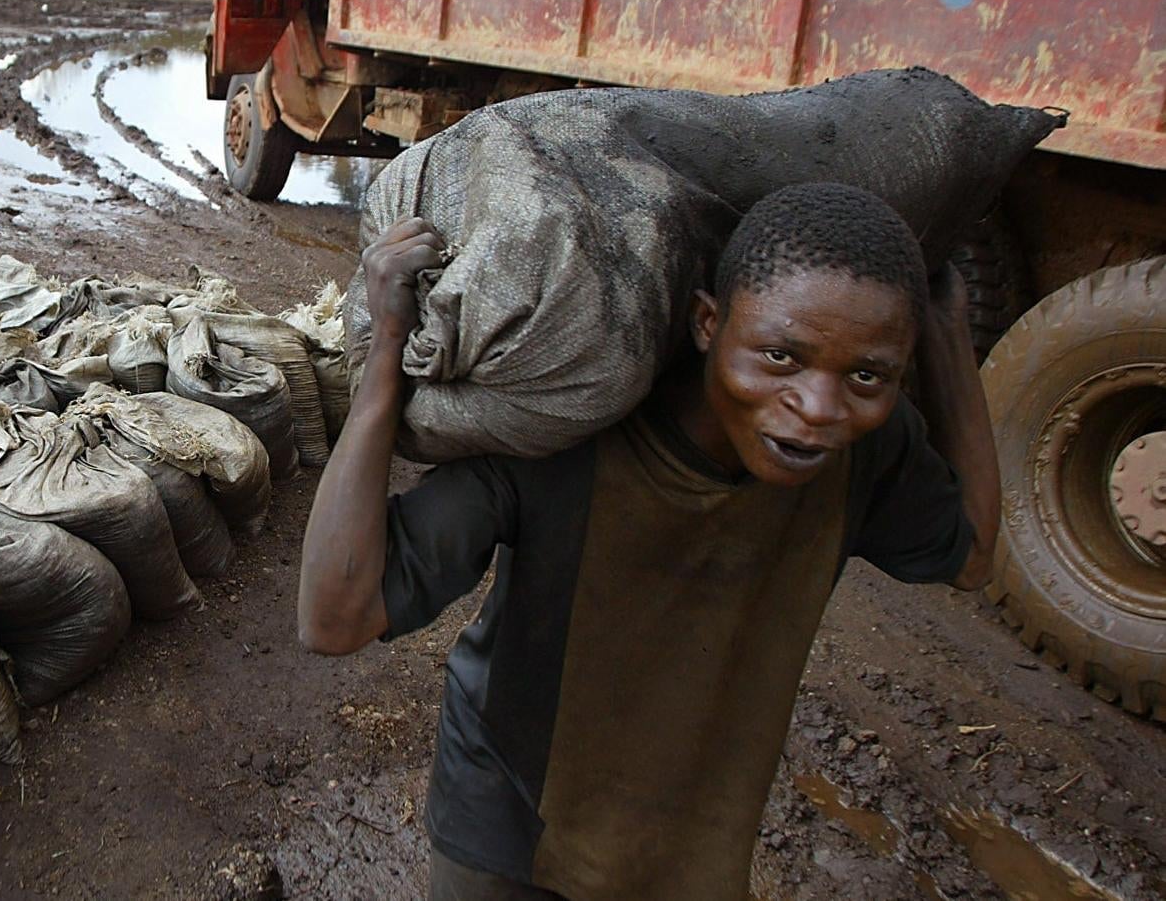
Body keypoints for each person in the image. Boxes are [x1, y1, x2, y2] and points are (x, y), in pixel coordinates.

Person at [297, 183, 999, 901]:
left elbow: (969, 555)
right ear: (707, 322)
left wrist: (948, 335)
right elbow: (335, 613)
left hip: (687, 841)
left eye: (866, 374)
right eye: (781, 355)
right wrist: (385, 345)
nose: (819, 408)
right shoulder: (568, 430)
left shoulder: (866, 452)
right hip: (511, 835)